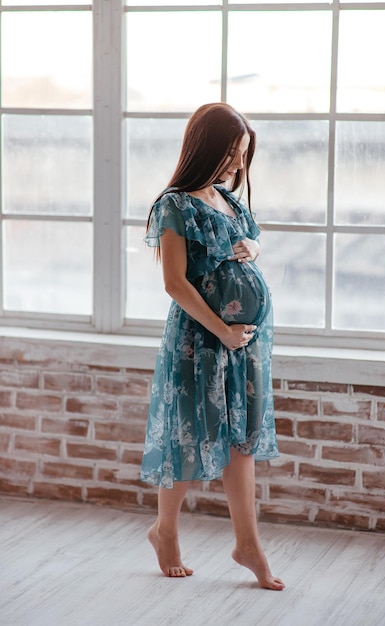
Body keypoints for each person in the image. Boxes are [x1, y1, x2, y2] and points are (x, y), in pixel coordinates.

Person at [141, 102, 285, 591]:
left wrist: (254, 249)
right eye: (231, 153)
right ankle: (165, 532)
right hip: (200, 342)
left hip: (244, 343)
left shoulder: (228, 198)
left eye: (243, 155)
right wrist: (221, 331)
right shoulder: (175, 204)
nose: (238, 164)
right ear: (205, 148)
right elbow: (175, 283)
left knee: (240, 440)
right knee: (190, 438)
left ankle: (248, 545)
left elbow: (252, 238)